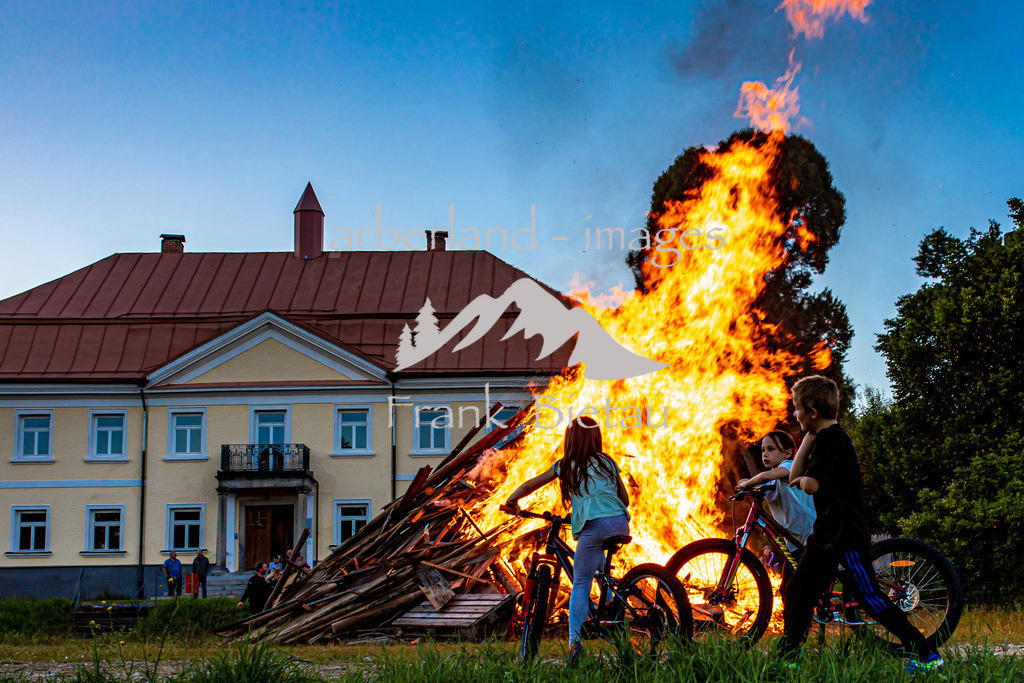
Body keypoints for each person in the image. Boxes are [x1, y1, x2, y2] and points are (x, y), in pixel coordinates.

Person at [783, 375, 943, 671]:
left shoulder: (833, 441)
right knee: (798, 590)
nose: (795, 414)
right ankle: (787, 659)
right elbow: (796, 475)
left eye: (797, 409)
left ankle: (926, 654)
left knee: (870, 597)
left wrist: (803, 475)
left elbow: (808, 484)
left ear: (812, 413)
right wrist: (808, 436)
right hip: (825, 536)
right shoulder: (825, 437)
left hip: (845, 536)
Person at [504, 416, 630, 663]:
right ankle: (611, 602)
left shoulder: (567, 465)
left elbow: (532, 483)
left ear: (570, 439)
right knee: (598, 563)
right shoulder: (607, 462)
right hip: (619, 522)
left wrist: (512, 500)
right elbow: (623, 499)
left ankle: (575, 644)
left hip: (595, 526)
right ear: (596, 438)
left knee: (581, 583)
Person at [738, 430, 817, 597]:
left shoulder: (790, 466)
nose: (765, 454)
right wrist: (744, 483)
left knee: (800, 587)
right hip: (795, 541)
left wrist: (748, 482)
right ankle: (802, 620)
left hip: (810, 534)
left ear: (788, 452)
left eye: (771, 449)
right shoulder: (772, 479)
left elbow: (765, 476)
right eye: (762, 450)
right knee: (787, 590)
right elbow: (760, 481)